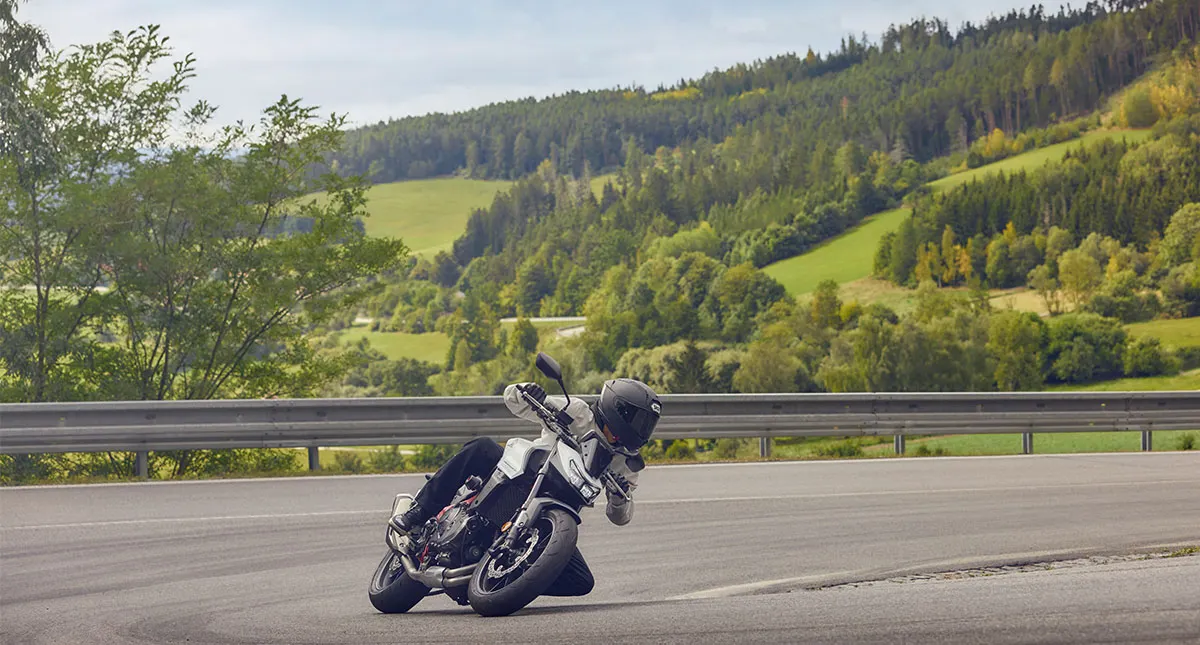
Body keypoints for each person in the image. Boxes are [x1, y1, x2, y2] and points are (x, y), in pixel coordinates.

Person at [389, 377, 661, 596]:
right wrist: (529, 394)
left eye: (647, 424)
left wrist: (617, 497)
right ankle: (419, 512)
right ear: (616, 409)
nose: (641, 430)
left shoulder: (626, 462)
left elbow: (621, 516)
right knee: (482, 448)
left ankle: (504, 577)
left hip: (555, 510)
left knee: (581, 582)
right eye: (638, 421)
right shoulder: (578, 412)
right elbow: (514, 401)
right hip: (524, 473)